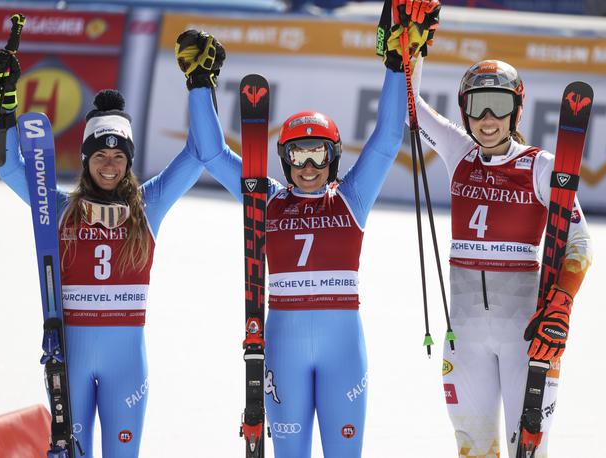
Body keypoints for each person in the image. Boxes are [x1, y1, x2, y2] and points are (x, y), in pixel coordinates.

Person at [173, 4, 439, 456]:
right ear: (284, 161)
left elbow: (389, 137)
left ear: (333, 157)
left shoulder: (351, 198)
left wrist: (398, 63)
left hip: (343, 355)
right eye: (298, 156)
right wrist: (199, 85)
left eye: (318, 154)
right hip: (285, 351)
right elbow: (213, 155)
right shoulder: (269, 202)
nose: (310, 166)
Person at [0, 52, 206, 457]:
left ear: (129, 160)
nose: (110, 165)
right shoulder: (59, 209)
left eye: (119, 156)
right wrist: (6, 100)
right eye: (100, 155)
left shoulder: (149, 205)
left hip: (127, 367)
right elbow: (11, 169)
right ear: (85, 160)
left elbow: (199, 153)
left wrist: (200, 84)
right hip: (72, 362)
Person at [412, 57, 593, 456]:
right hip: (465, 338)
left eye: (500, 104)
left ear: (517, 109)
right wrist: (415, 51)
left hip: (526, 340)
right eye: (478, 106)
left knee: (529, 449)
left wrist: (561, 304)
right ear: (465, 110)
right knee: (473, 449)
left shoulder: (540, 166)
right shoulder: (459, 152)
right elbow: (408, 106)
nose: (488, 118)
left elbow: (579, 243)